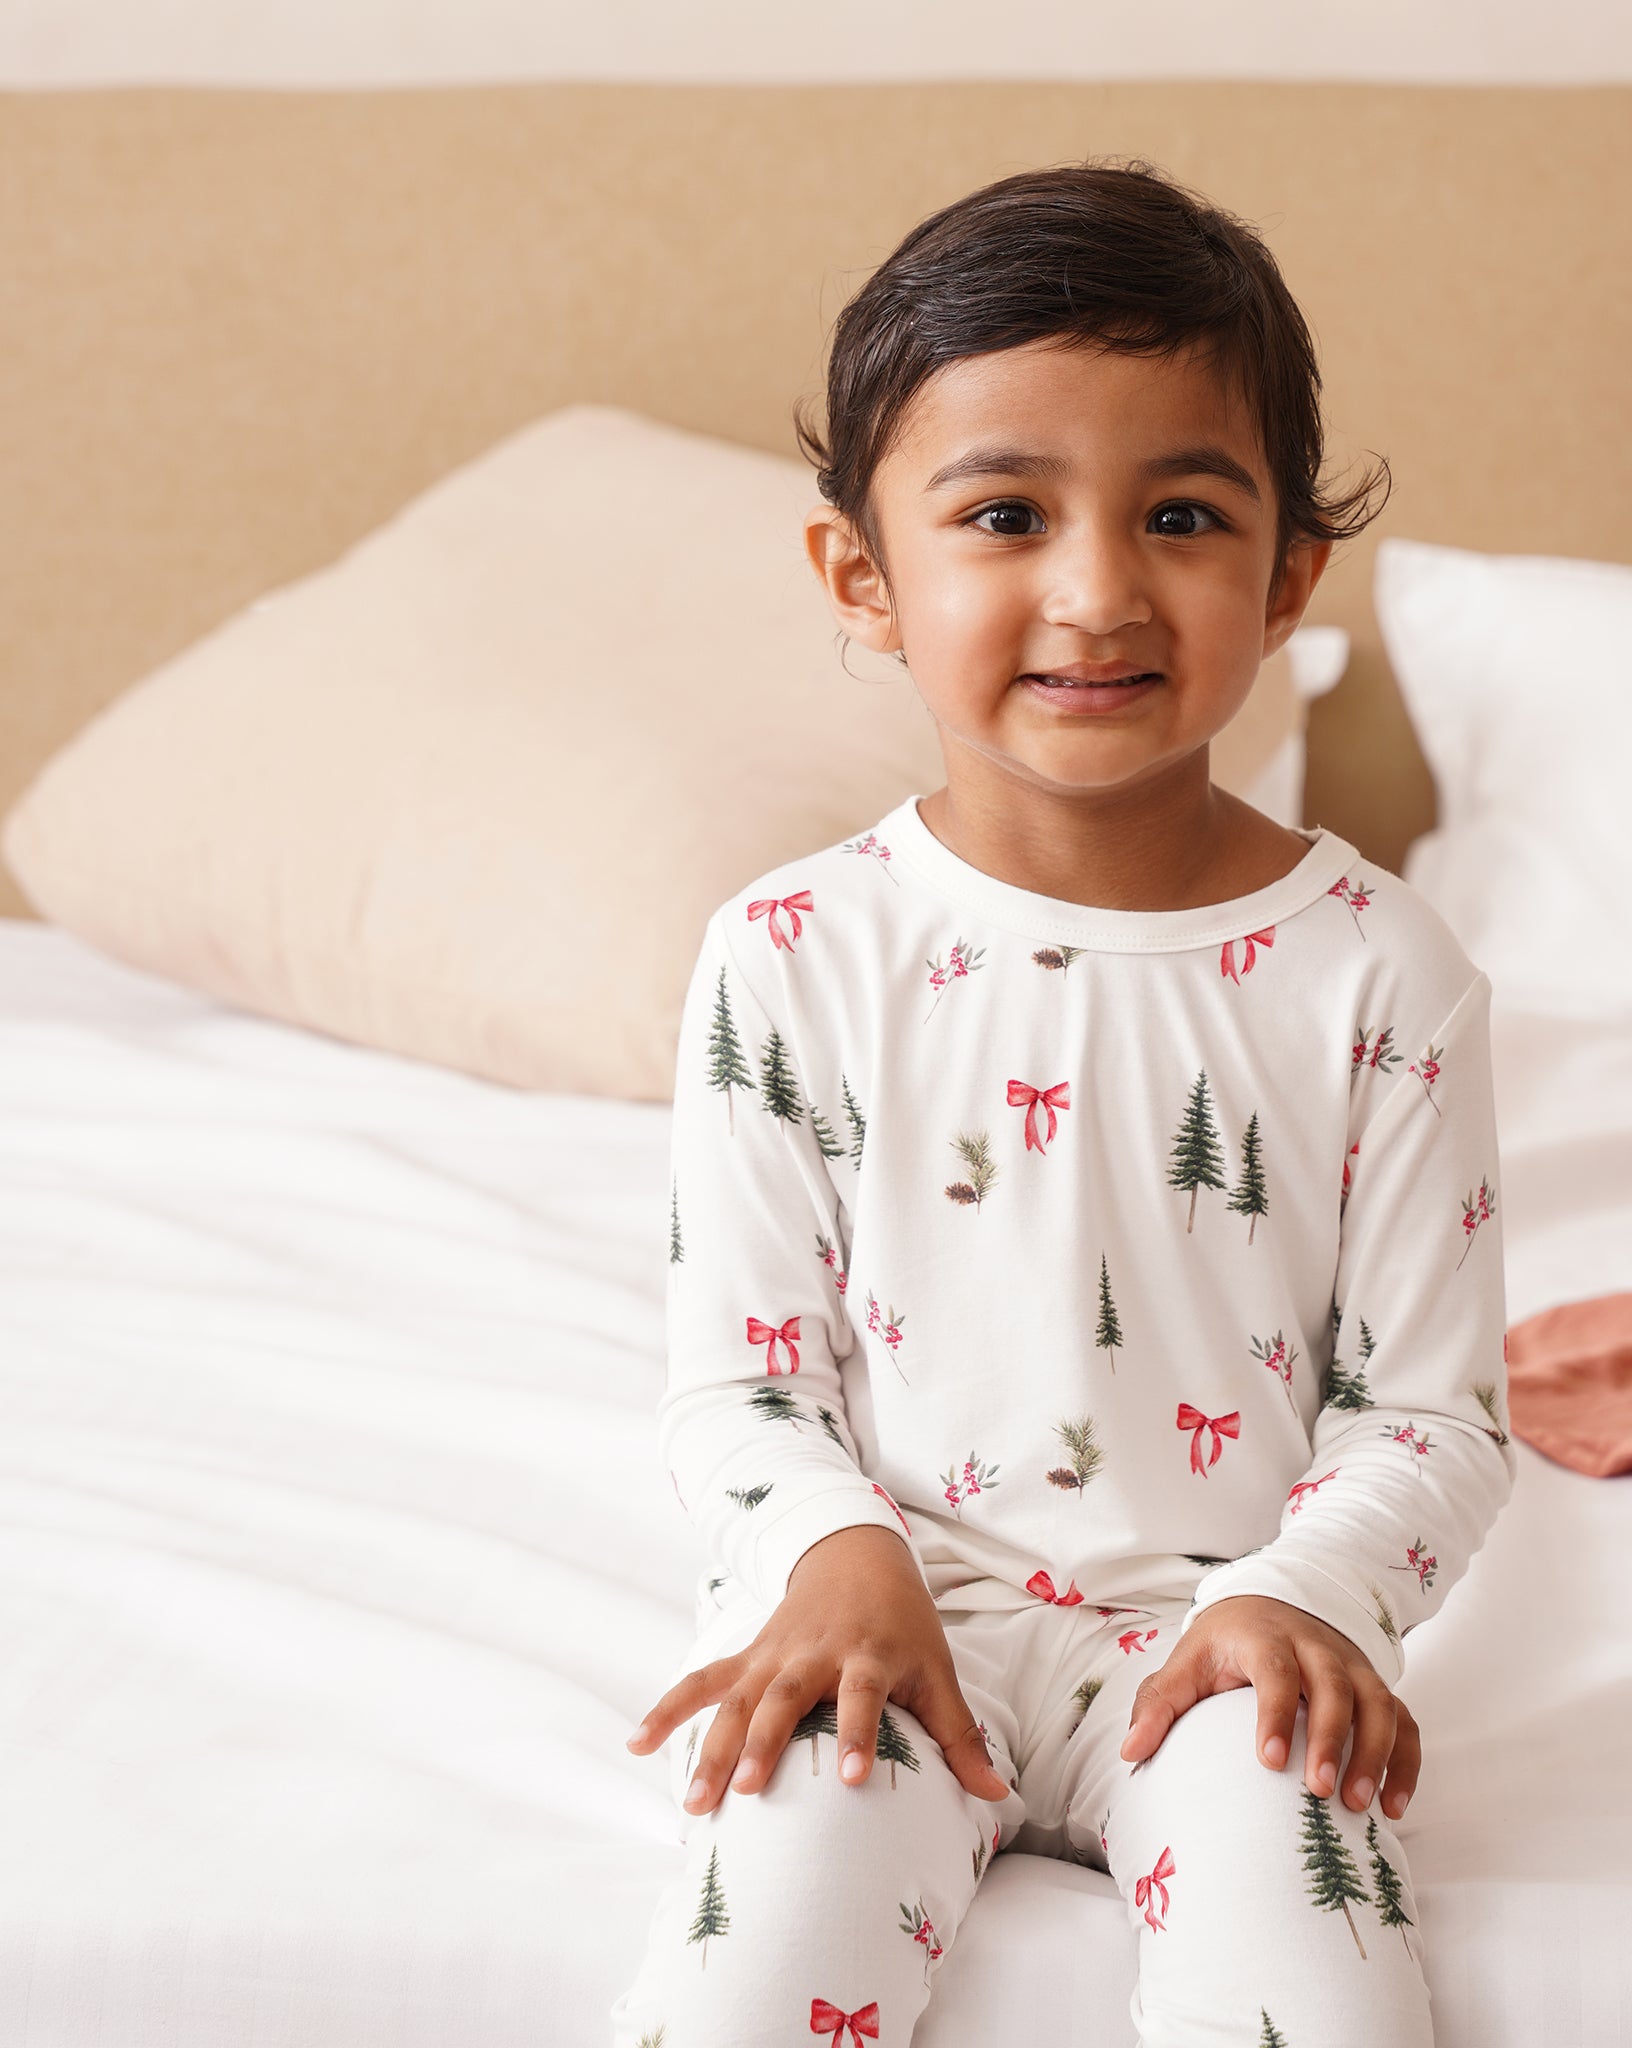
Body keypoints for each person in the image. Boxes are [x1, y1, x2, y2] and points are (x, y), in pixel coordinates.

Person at [610, 156, 1515, 2048]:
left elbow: (1431, 1415)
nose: (1096, 592)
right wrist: (833, 1560)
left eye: (1181, 514)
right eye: (1006, 513)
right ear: (864, 575)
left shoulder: (1384, 971)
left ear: (1284, 583)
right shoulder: (788, 951)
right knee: (745, 1986)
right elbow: (741, 1389)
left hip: (1227, 1639)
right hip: (883, 1619)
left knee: (1327, 2002)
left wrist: (1313, 1596)